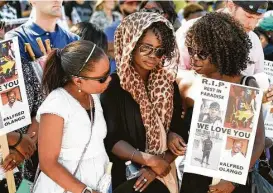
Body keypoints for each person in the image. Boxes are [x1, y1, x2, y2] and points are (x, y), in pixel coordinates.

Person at [168, 12, 265, 193]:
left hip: (234, 180)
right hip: (196, 177)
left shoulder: (245, 84)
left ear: (222, 50)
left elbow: (258, 141)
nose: (194, 57)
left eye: (202, 53)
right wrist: (172, 135)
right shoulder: (187, 83)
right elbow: (175, 126)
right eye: (191, 50)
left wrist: (232, 181)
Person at [100, 12, 185, 193]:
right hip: (129, 178)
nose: (153, 55)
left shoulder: (168, 85)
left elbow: (179, 132)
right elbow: (112, 140)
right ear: (130, 43)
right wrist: (150, 161)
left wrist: (158, 165)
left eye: (160, 50)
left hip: (164, 174)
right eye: (146, 48)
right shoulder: (113, 86)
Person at [32, 40, 111, 193]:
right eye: (102, 78)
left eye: (108, 73)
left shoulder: (93, 96)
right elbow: (48, 163)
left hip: (100, 183)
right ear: (78, 81)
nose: (109, 80)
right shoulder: (56, 104)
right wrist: (85, 191)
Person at [176, 1, 270, 89]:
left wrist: (264, 92)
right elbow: (175, 73)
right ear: (230, 5)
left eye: (258, 19)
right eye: (248, 16)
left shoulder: (254, 40)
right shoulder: (192, 30)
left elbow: (259, 77)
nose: (252, 26)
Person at [5, 0, 79, 61]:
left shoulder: (74, 40)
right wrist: (41, 64)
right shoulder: (15, 38)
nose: (58, 1)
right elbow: (13, 77)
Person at [104, 0, 139, 73]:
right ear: (121, 6)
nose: (135, 7)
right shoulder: (112, 28)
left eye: (137, 3)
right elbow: (107, 51)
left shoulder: (143, 28)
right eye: (130, 3)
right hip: (116, 75)